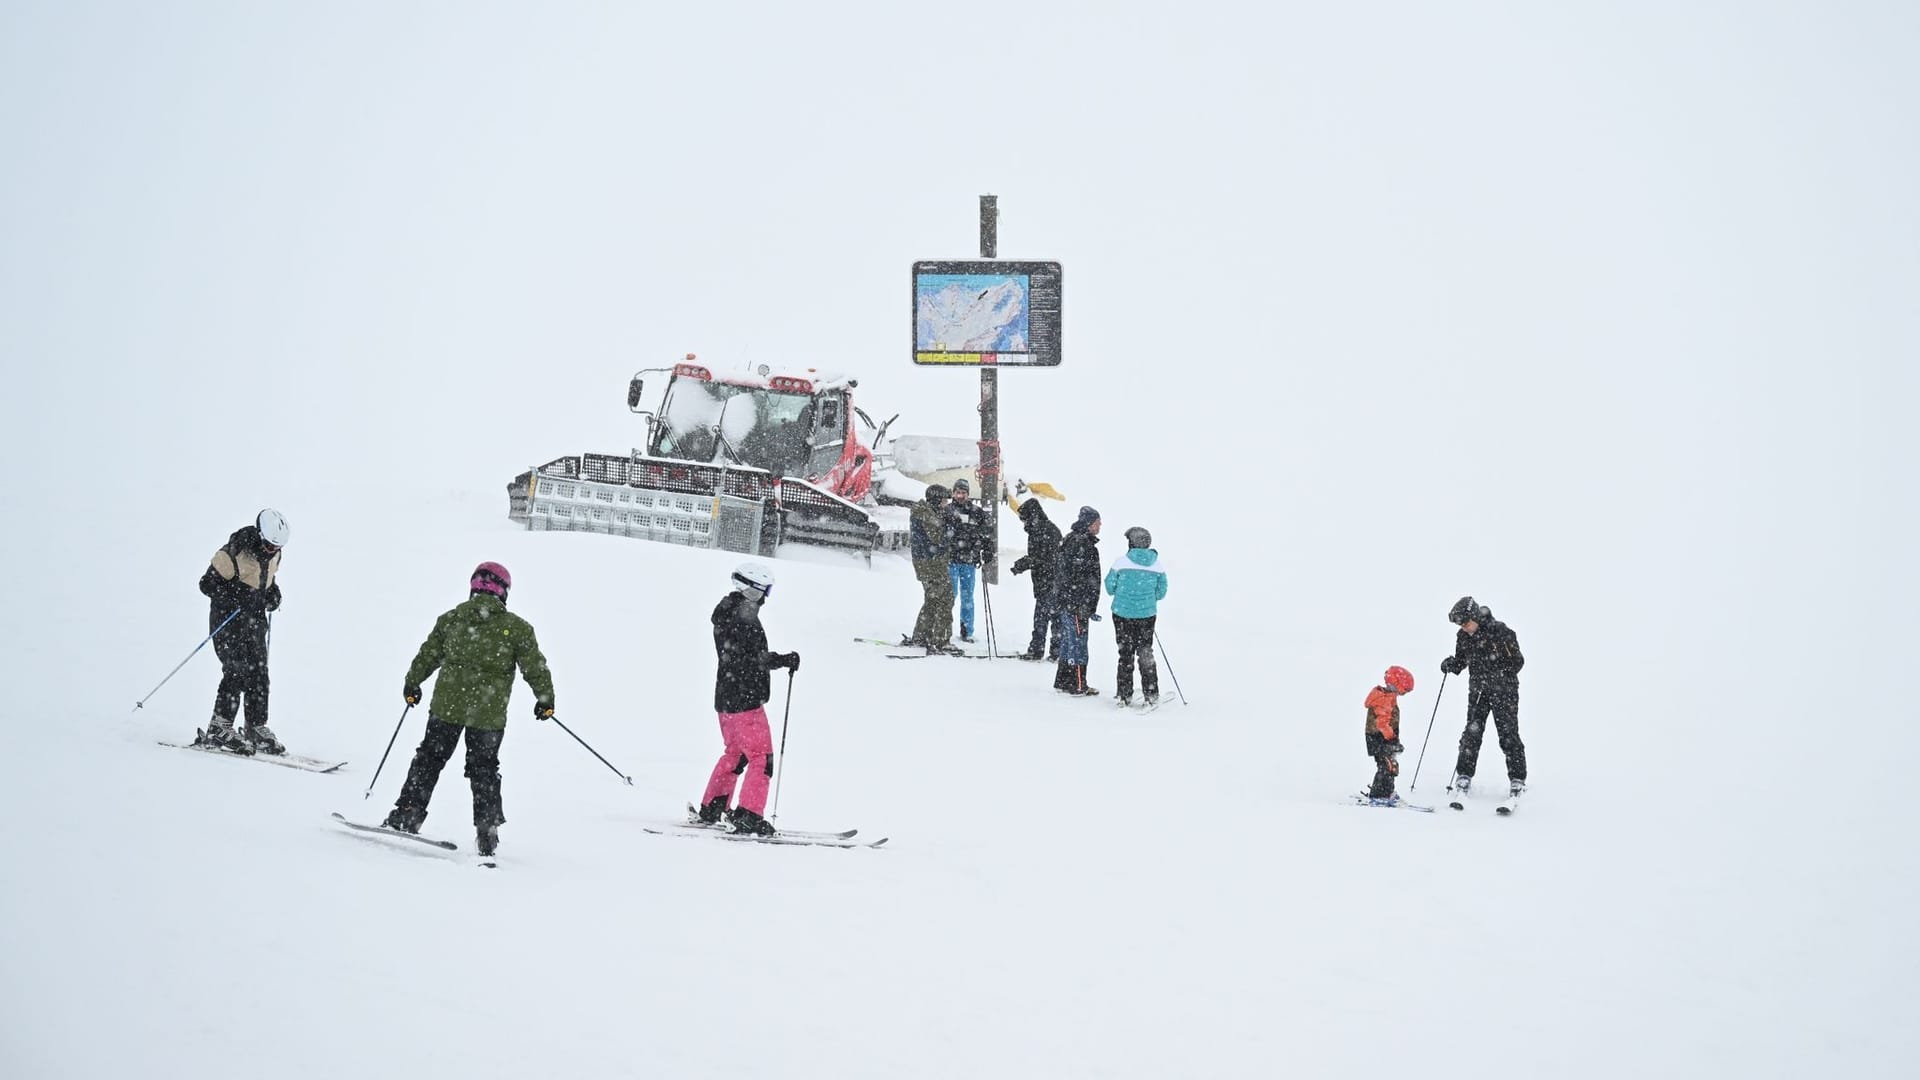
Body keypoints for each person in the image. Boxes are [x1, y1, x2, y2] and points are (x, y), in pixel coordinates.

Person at [384, 563, 554, 857]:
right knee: (484, 769)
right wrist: (545, 700)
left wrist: (413, 683)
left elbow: (428, 654)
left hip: (446, 708)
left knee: (429, 759)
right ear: (504, 592)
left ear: (473, 587)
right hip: (487, 716)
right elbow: (535, 667)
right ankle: (487, 831)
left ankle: (408, 813)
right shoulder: (517, 629)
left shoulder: (452, 619)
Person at [695, 562, 800, 836]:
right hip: (745, 700)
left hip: (726, 698)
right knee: (760, 758)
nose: (766, 597)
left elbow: (742, 656)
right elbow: (752, 659)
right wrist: (781, 660)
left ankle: (713, 807)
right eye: (764, 590)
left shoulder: (727, 611)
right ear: (751, 589)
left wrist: (772, 660)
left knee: (736, 754)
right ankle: (749, 815)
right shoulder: (743, 615)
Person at [195, 509, 290, 756]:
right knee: (236, 670)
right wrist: (238, 596)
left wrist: (272, 595)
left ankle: (255, 726)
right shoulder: (232, 554)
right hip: (228, 621)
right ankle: (220, 725)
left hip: (255, 623)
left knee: (259, 672)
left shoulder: (275, 556)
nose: (272, 551)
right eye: (268, 545)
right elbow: (206, 584)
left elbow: (266, 580)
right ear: (259, 536)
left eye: (276, 547)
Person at [1440, 596, 1527, 802]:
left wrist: (1496, 673)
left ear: (1476, 616)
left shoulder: (1501, 632)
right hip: (1478, 692)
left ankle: (1517, 778)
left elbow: (1518, 662)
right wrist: (1451, 664)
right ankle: (1464, 775)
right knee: (1472, 733)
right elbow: (1461, 662)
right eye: (1460, 624)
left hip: (1504, 691)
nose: (1464, 627)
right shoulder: (1463, 636)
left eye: (1466, 622)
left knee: (1507, 733)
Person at [1103, 526, 1168, 706]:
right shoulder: (1157, 565)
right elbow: (1161, 592)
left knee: (1125, 653)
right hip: (1146, 616)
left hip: (1122, 615)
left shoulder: (1120, 563)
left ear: (1131, 543)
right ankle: (1151, 694)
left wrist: (1125, 596)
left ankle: (1124, 695)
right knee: (1145, 652)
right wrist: (1146, 601)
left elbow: (1109, 588)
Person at [1052, 506, 1103, 696]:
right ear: (1089, 523)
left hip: (1069, 603)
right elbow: (1075, 577)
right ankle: (1078, 683)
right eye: (1097, 522)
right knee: (1078, 644)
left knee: (1068, 642)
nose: (1100, 526)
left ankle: (1063, 681)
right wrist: (1082, 603)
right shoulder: (1082, 544)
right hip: (1076, 604)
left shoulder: (1071, 539)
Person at [907, 484, 959, 655]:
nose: (946, 504)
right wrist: (950, 526)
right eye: (944, 501)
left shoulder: (926, 511)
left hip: (929, 561)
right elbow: (938, 537)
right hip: (931, 563)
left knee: (933, 599)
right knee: (944, 598)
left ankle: (922, 635)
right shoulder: (926, 514)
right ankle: (940, 639)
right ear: (936, 500)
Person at [1009, 498, 1062, 661]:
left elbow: (1048, 560)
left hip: (1051, 581)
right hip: (1044, 581)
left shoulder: (1047, 531)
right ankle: (1050, 651)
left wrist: (1027, 563)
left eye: (1024, 518)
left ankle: (1048, 651)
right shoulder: (1038, 530)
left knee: (1047, 617)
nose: (1023, 522)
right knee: (1047, 617)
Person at [944, 479, 989, 643]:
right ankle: (944, 629)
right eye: (957, 492)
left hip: (969, 561)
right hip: (951, 560)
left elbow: (986, 534)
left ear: (968, 494)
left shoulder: (977, 512)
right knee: (950, 595)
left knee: (967, 597)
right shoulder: (947, 510)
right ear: (953, 493)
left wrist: (987, 550)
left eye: (963, 492)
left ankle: (966, 630)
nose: (960, 495)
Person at [1363, 666, 1416, 802]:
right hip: (1379, 738)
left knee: (1389, 765)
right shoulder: (1384, 699)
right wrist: (1391, 739)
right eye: (1404, 691)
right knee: (1387, 765)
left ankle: (1387, 791)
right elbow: (1382, 724)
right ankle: (1380, 794)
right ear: (1396, 685)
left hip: (1380, 737)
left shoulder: (1388, 697)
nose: (1404, 694)